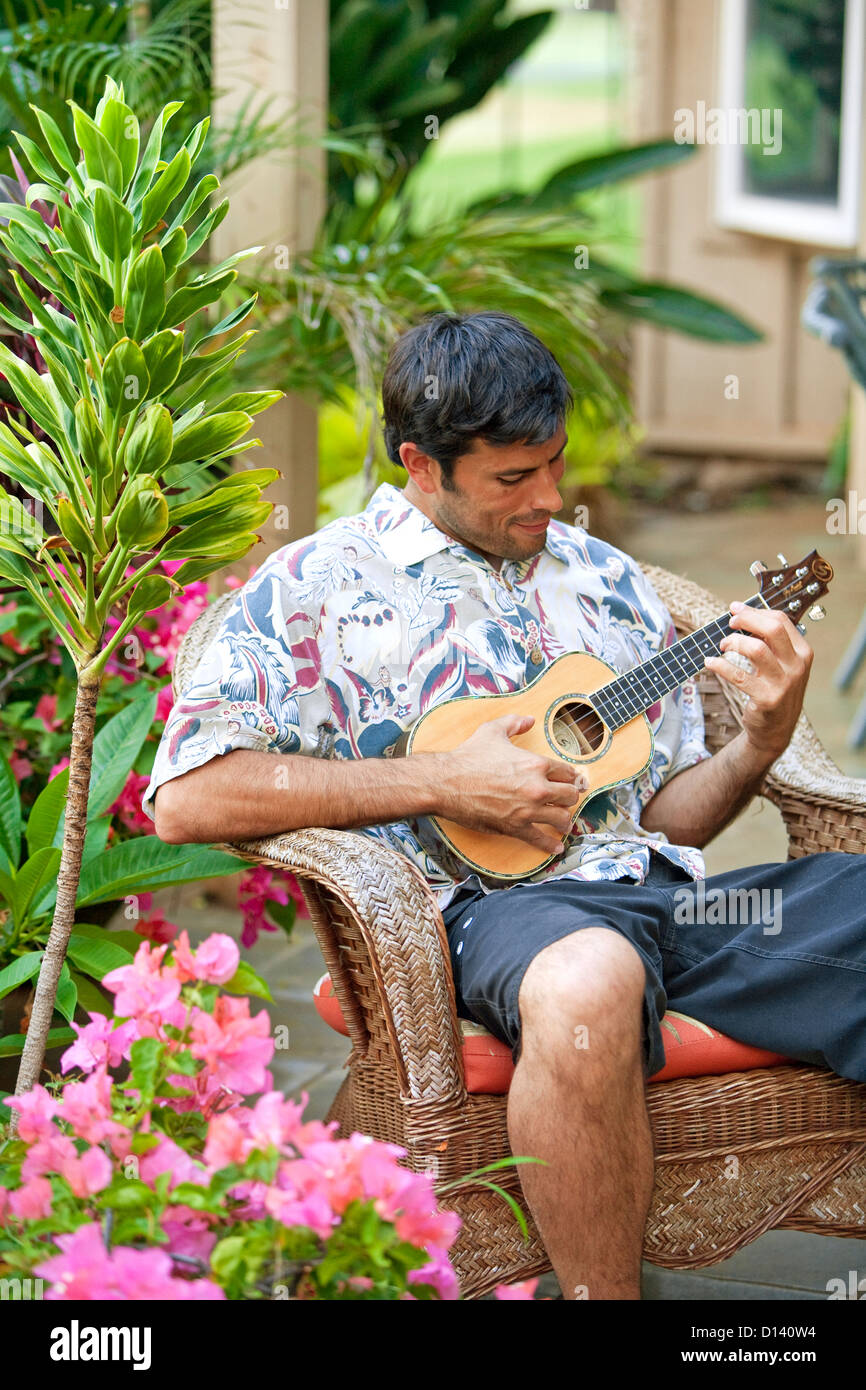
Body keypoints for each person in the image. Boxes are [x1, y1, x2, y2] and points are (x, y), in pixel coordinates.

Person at [144, 310, 866, 1300]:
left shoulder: (607, 586)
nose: (552, 499)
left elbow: (671, 822)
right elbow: (185, 797)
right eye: (513, 479)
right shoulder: (313, 588)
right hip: (491, 916)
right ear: (421, 463)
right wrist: (443, 780)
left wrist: (762, 740)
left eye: (554, 466)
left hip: (667, 902)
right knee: (587, 980)